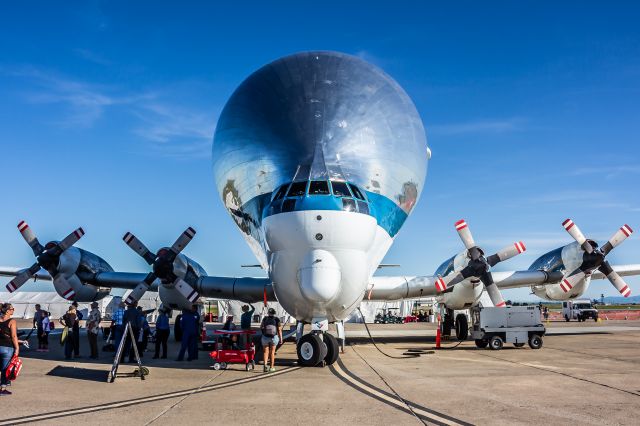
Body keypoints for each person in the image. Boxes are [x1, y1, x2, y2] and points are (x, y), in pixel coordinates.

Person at [1, 303, 26, 395]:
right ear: (7, 311)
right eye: (12, 309)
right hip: (7, 348)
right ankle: (2, 389)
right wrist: (17, 348)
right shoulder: (12, 321)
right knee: (5, 369)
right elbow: (14, 336)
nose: (13, 310)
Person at [260, 308, 282, 373]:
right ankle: (272, 367)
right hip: (273, 337)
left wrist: (263, 331)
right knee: (272, 352)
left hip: (265, 337)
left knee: (265, 352)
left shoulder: (265, 319)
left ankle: (265, 366)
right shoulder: (277, 319)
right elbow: (279, 330)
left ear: (268, 313)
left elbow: (261, 327)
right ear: (274, 313)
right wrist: (281, 339)